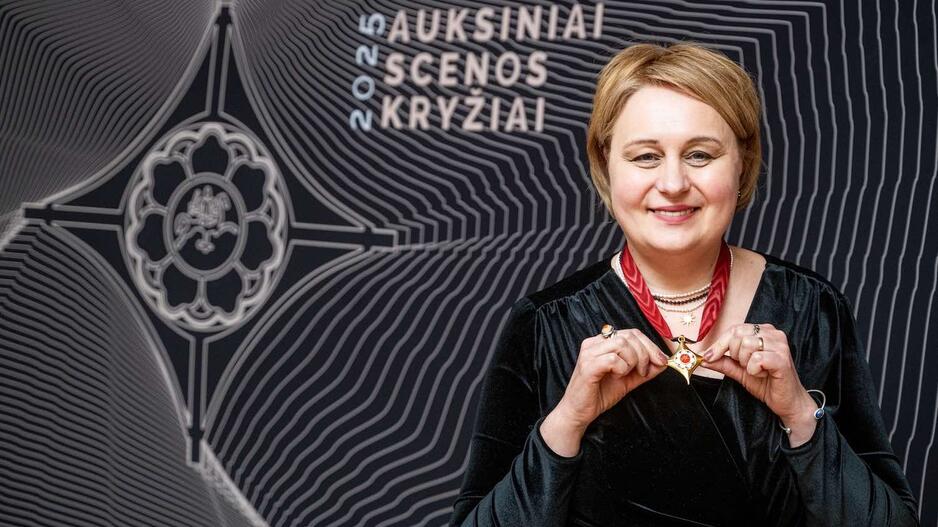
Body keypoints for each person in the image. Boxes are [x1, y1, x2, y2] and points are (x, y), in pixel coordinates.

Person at [449, 43, 920, 526]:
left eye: (699, 154)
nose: (673, 183)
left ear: (742, 162)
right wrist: (568, 420)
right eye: (646, 156)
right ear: (606, 165)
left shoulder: (811, 307)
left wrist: (801, 414)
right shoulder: (545, 325)